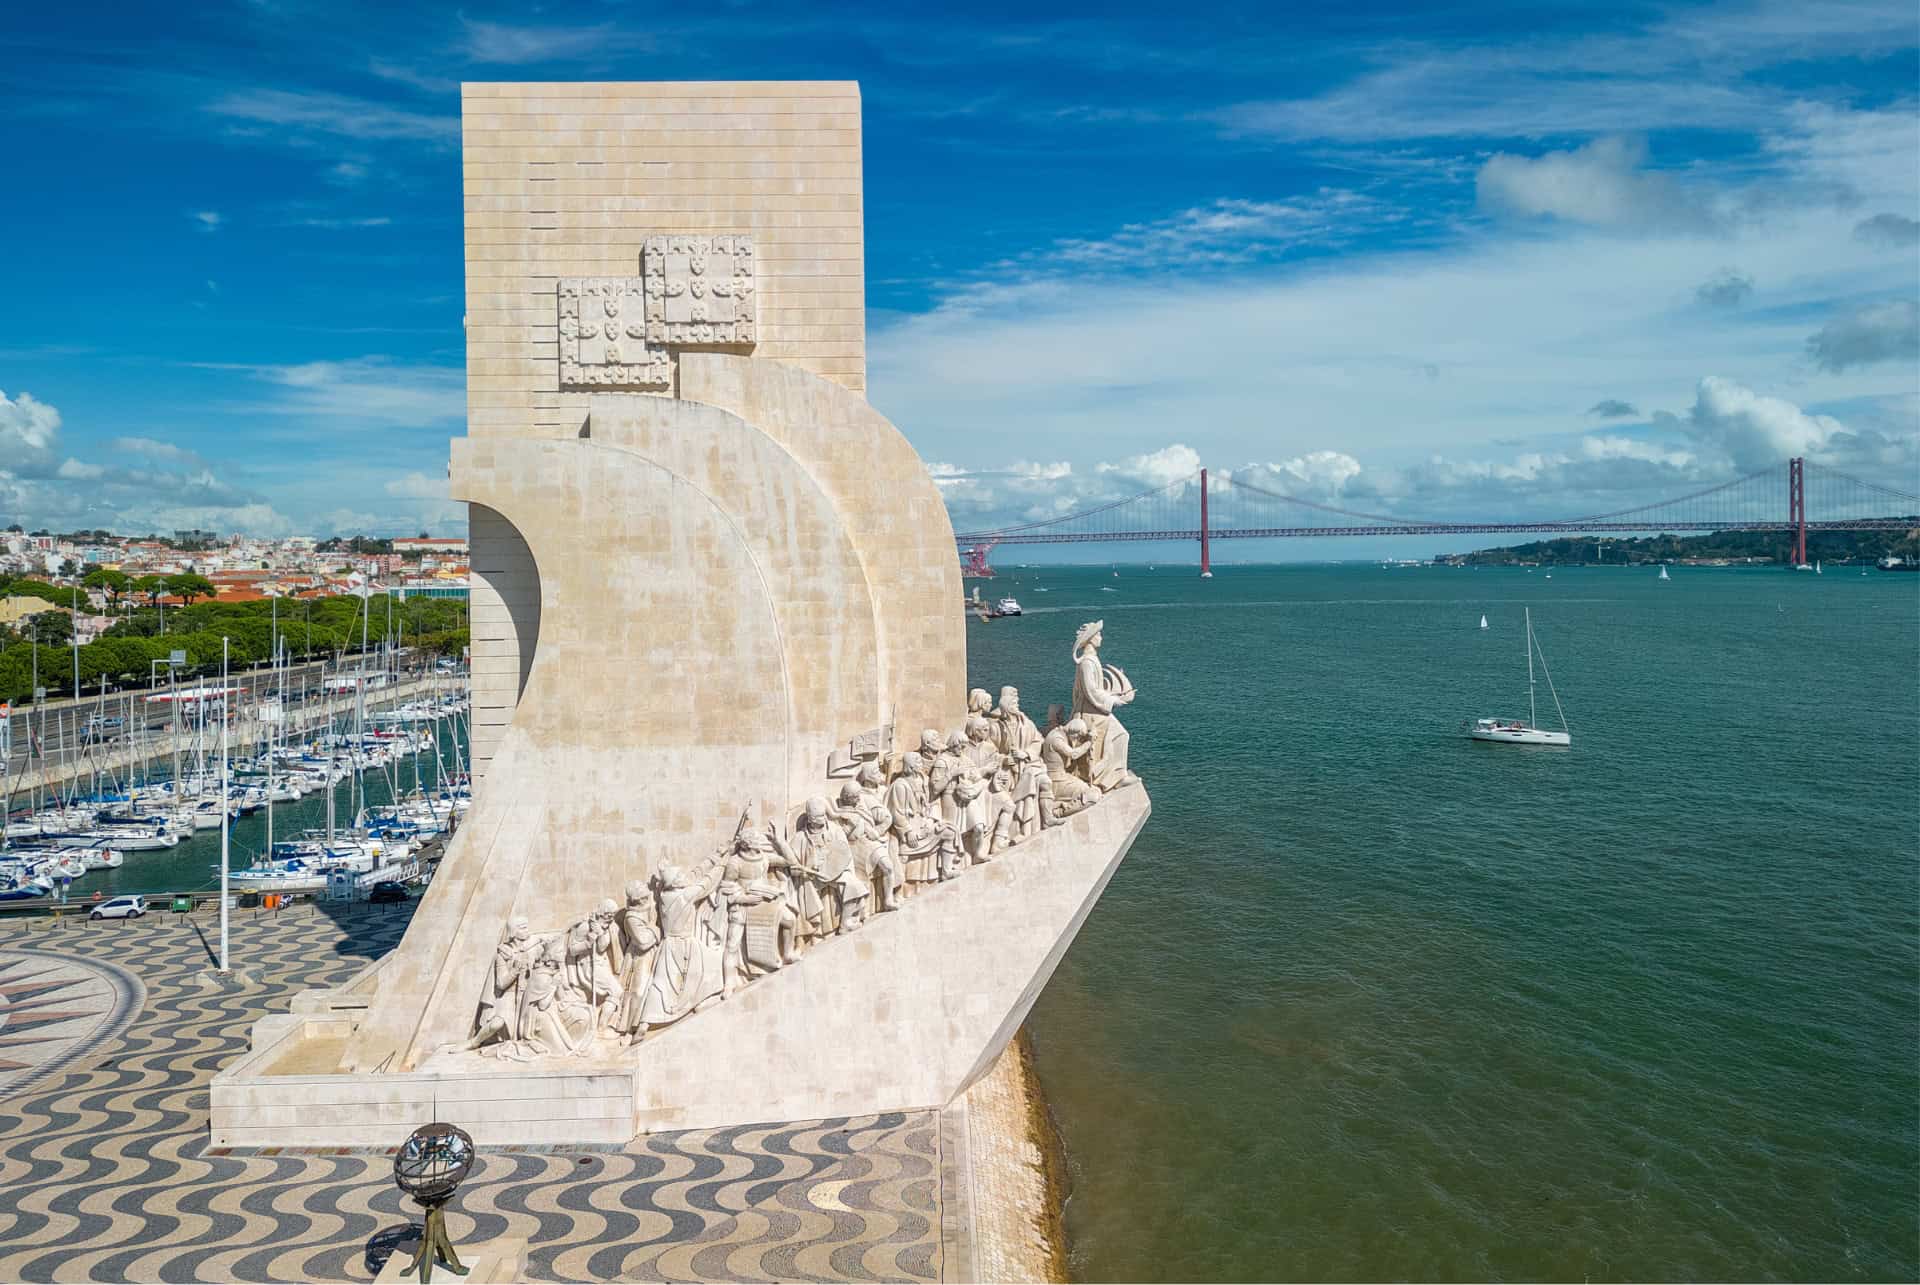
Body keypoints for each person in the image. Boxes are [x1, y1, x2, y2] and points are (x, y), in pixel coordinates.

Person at [636, 856, 727, 1035]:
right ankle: (699, 1001)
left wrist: (716, 856)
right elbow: (705, 884)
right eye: (680, 875)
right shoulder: (685, 894)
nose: (685, 876)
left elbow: (694, 876)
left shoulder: (664, 895)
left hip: (668, 944)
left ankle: (644, 1024)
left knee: (660, 983)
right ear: (677, 882)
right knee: (713, 964)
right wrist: (722, 864)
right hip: (685, 943)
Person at [1071, 620, 1138, 790]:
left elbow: (1096, 689)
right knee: (1118, 736)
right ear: (1091, 638)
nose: (1101, 637)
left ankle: (1114, 776)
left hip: (1095, 709)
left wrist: (1111, 693)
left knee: (1118, 736)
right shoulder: (1087, 662)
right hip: (1090, 712)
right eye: (1098, 634)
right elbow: (1091, 691)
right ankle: (1110, 778)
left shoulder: (1091, 659)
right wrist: (1112, 701)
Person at [459, 915, 538, 1053]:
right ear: (514, 932)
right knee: (497, 1023)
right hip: (508, 995)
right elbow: (500, 984)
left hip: (528, 993)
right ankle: (474, 1042)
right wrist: (514, 971)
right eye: (523, 928)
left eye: (527, 927)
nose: (527, 930)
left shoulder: (533, 946)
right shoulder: (503, 954)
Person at [612, 880, 660, 1044]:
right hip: (638, 958)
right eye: (643, 897)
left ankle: (644, 1023)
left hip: (653, 954)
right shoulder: (631, 917)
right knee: (637, 992)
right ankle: (628, 1029)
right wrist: (656, 930)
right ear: (636, 899)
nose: (646, 899)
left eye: (646, 896)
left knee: (651, 989)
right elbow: (643, 942)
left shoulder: (650, 906)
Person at [1042, 717, 1102, 815]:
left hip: (1062, 776)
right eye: (1078, 737)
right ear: (1074, 733)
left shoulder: (1059, 733)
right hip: (1056, 781)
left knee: (1095, 790)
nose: (1077, 739)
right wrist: (1089, 743)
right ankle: (1059, 812)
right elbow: (1073, 754)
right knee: (1092, 796)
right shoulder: (1056, 739)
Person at [990, 685, 1043, 761]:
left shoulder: (1027, 724)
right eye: (1014, 703)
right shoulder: (996, 727)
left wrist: (1026, 753)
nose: (1018, 705)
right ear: (1007, 706)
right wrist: (1003, 760)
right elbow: (990, 750)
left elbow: (1037, 741)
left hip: (1025, 762)